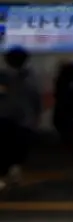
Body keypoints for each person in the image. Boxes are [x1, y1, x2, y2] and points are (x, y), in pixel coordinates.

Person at [0, 47, 41, 187]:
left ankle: (6, 175)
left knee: (5, 148)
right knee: (19, 148)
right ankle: (14, 172)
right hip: (24, 120)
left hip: (5, 118)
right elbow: (35, 99)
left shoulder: (3, 77)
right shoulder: (30, 78)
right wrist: (36, 116)